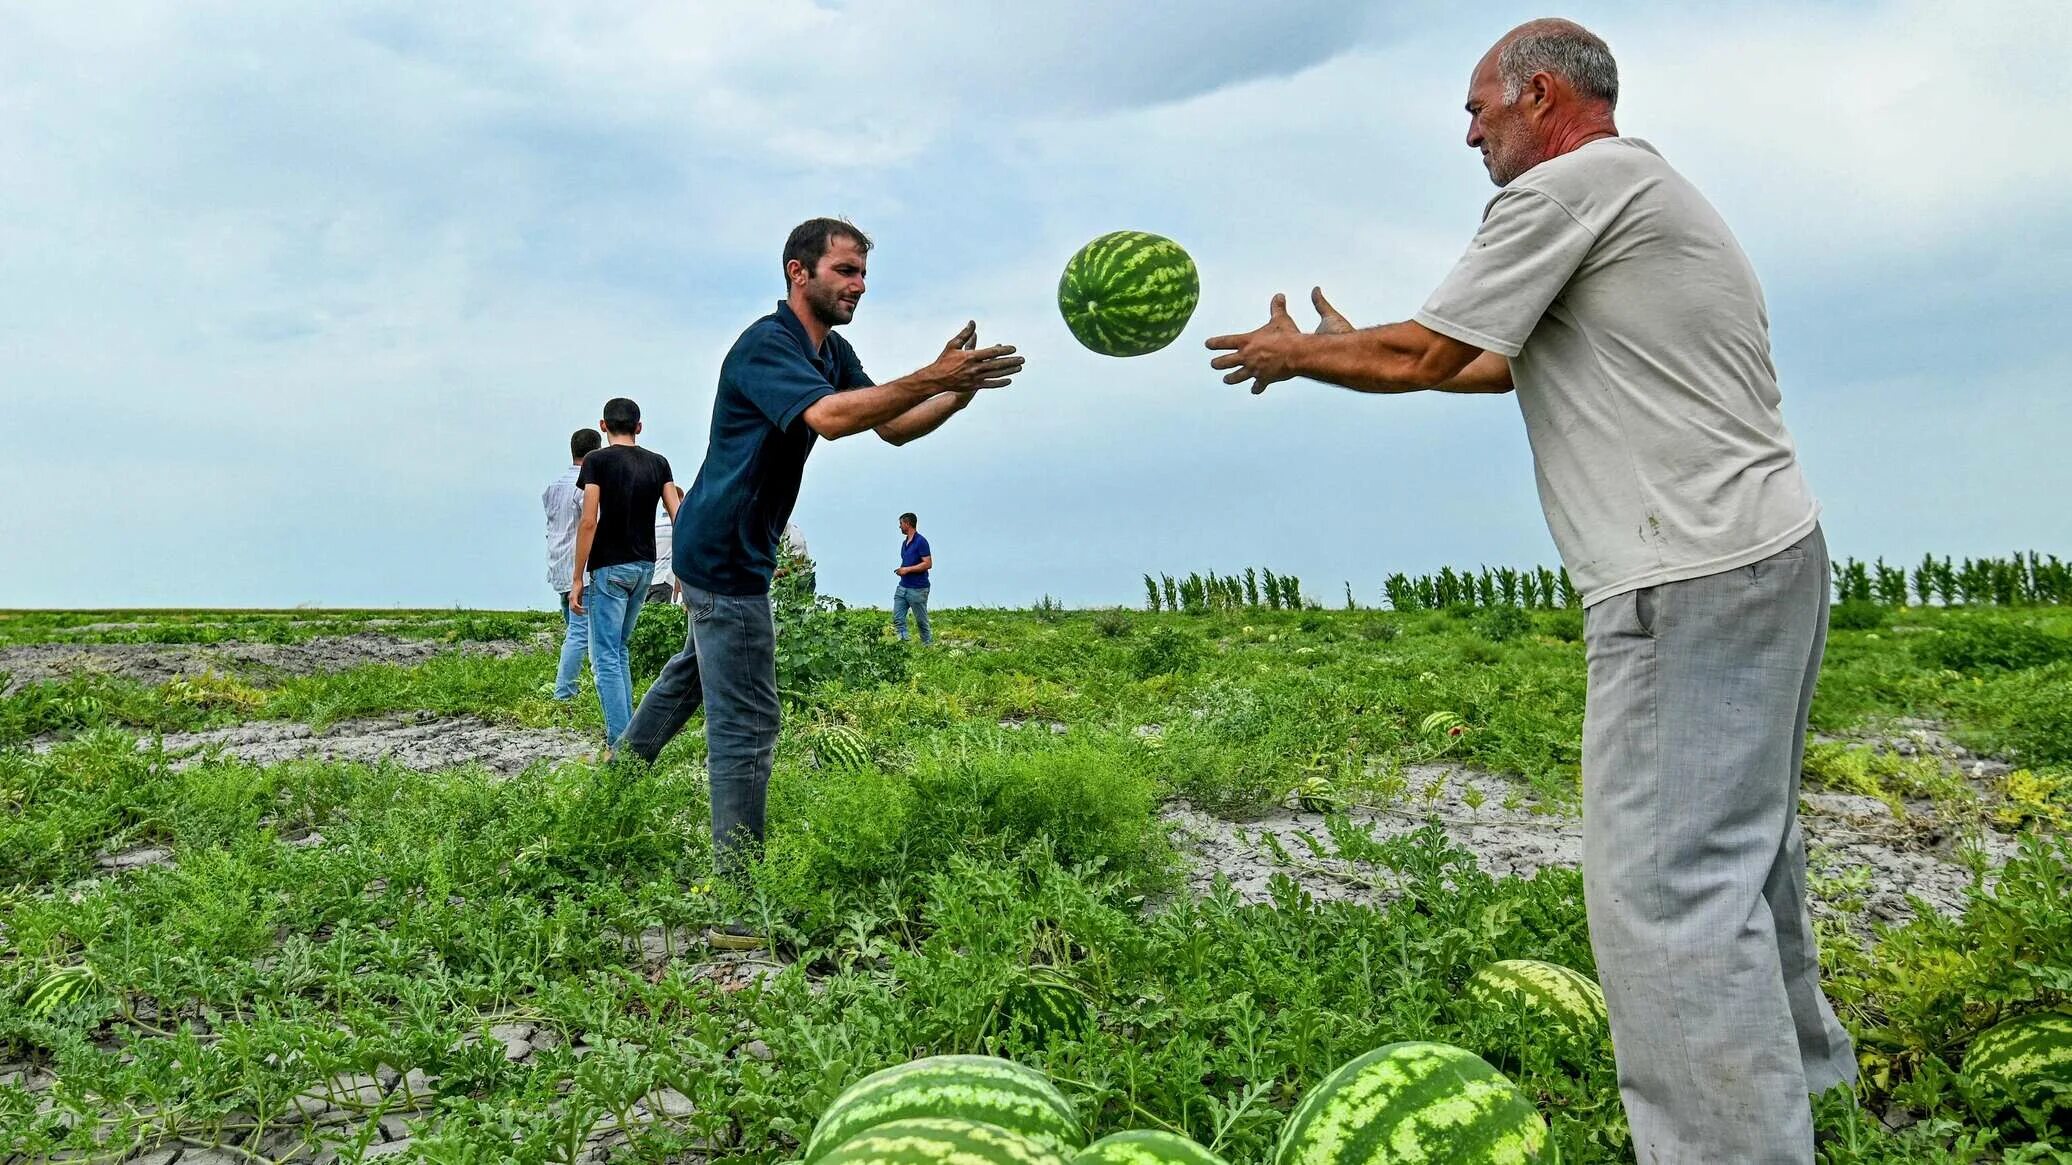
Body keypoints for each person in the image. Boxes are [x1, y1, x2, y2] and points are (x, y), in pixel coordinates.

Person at [1206, 19, 1853, 1162]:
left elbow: (1432, 354)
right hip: (1764, 549)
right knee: (1747, 858)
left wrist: (1299, 355)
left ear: (1540, 94)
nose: (1467, 136)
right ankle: (1806, 1098)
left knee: (1665, 896)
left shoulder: (1563, 192)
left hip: (1683, 571)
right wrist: (1362, 348)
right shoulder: (1644, 191)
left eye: (1477, 111)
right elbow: (1493, 357)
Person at [618, 216, 1023, 948]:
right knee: (747, 723)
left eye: (864, 273)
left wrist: (957, 391)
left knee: (696, 675)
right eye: (845, 271)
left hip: (731, 545)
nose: (859, 286)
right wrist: (934, 373)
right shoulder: (767, 345)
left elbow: (892, 425)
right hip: (724, 551)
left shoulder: (829, 351)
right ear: (797, 272)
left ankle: (614, 785)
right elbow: (832, 420)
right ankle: (741, 907)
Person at [569, 397, 681, 753]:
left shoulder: (597, 461)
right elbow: (678, 514)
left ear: (603, 426)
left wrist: (577, 578)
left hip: (609, 565)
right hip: (645, 567)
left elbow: (589, 521)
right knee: (619, 651)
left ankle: (622, 746)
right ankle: (631, 733)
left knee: (604, 657)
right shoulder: (659, 463)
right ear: (639, 427)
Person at [544, 428, 604, 700]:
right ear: (596, 452)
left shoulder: (552, 487)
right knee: (580, 633)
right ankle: (564, 692)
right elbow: (591, 524)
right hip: (581, 568)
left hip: (558, 565)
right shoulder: (586, 488)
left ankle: (573, 688)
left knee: (574, 630)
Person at [892, 511, 933, 645]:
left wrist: (907, 570)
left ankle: (927, 645)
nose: (900, 527)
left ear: (907, 524)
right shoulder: (905, 543)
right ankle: (904, 642)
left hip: (918, 588)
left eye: (901, 524)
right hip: (903, 586)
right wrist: (902, 570)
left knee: (921, 620)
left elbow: (928, 563)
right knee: (897, 617)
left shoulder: (921, 541)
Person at [649, 507, 678, 606]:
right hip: (664, 579)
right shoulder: (677, 526)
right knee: (658, 619)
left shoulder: (654, 524)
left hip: (648, 579)